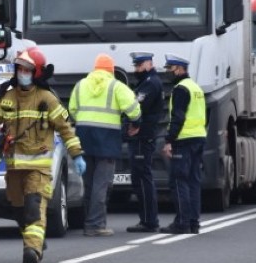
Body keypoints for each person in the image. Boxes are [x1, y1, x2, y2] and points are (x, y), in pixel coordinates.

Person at [0, 47, 86, 263]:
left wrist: (77, 155)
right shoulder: (9, 96)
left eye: (27, 69)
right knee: (19, 209)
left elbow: (66, 130)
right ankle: (37, 240)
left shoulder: (47, 99)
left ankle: (32, 250)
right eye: (20, 68)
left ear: (37, 73)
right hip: (14, 167)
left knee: (34, 207)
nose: (22, 72)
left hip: (38, 167)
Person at [69, 53, 141, 237]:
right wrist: (134, 123)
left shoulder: (80, 85)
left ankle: (88, 221)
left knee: (89, 182)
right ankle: (96, 225)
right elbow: (133, 109)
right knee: (103, 183)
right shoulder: (116, 86)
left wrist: (85, 122)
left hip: (84, 135)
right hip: (107, 138)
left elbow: (72, 110)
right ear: (111, 70)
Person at [160, 54, 207, 234]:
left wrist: (169, 140)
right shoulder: (196, 87)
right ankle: (194, 222)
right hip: (198, 137)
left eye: (170, 69)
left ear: (179, 69)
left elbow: (177, 117)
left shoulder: (180, 89)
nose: (168, 72)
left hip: (184, 139)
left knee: (179, 181)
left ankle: (182, 222)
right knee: (194, 181)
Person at [126, 52, 164, 233]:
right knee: (141, 178)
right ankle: (148, 219)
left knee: (142, 179)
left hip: (142, 137)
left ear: (149, 64)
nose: (136, 69)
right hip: (143, 136)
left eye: (139, 65)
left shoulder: (150, 83)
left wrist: (134, 124)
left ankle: (149, 220)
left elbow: (138, 107)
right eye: (135, 66)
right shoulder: (147, 82)